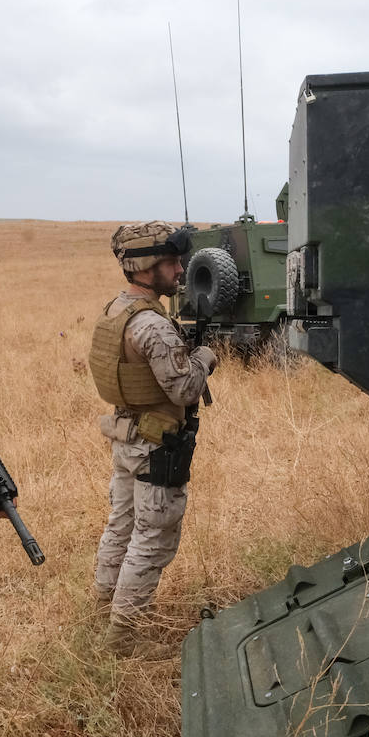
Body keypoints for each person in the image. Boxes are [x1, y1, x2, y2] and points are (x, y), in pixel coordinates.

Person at [87, 221, 216, 655]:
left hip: (127, 436)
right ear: (146, 267)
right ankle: (123, 640)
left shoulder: (115, 311)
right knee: (153, 537)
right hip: (154, 446)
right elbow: (184, 389)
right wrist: (205, 357)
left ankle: (101, 608)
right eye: (171, 262)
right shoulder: (152, 327)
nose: (180, 270)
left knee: (121, 527)